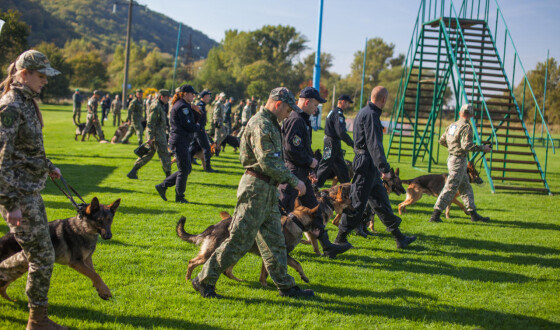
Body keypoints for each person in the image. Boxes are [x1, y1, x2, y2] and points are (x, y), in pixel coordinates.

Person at [191, 87, 313, 299]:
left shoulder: (272, 123)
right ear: (277, 104)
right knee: (238, 240)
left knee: (275, 242)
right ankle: (203, 280)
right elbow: (267, 162)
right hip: (256, 189)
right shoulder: (262, 124)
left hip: (267, 190)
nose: (288, 114)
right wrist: (294, 181)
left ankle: (286, 286)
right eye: (287, 109)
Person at [0, 50, 67, 329]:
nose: (46, 82)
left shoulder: (26, 102)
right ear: (24, 74)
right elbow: (1, 159)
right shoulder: (12, 105)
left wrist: (47, 164)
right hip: (18, 195)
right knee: (43, 256)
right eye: (41, 76)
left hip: (29, 191)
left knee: (36, 253)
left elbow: (25, 150)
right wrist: (10, 202)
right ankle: (37, 321)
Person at [334, 86, 416, 249]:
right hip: (366, 164)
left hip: (368, 164)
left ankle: (400, 238)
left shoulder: (365, 112)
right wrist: (384, 168)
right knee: (357, 203)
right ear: (384, 99)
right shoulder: (371, 115)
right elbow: (374, 144)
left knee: (381, 203)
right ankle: (339, 239)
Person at [278, 87, 351, 258]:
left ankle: (327, 247)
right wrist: (310, 161)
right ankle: (276, 246)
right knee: (283, 211)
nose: (316, 109)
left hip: (301, 172)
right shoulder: (296, 120)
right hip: (292, 174)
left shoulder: (302, 120)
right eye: (315, 104)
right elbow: (291, 149)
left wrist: (310, 169)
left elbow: (302, 147)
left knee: (315, 209)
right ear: (306, 101)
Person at [429, 104, 492, 223]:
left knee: (465, 187)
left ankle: (473, 214)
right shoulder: (466, 127)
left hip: (452, 159)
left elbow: (442, 140)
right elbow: (466, 146)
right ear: (472, 115)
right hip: (458, 161)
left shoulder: (452, 125)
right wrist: (483, 148)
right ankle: (435, 215)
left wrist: (453, 148)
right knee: (450, 187)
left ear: (460, 113)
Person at [155, 85, 200, 204]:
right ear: (185, 94)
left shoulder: (185, 106)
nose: (193, 96)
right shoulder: (181, 107)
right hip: (179, 141)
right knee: (184, 169)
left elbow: (192, 121)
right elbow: (188, 125)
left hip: (182, 141)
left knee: (186, 168)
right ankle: (179, 196)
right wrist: (198, 127)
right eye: (192, 93)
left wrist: (196, 113)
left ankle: (163, 186)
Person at [127, 90, 172, 179]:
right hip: (157, 135)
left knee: (148, 154)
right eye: (167, 97)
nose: (168, 99)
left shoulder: (160, 105)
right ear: (162, 97)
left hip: (157, 134)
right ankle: (169, 176)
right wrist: (150, 137)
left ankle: (133, 171)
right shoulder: (156, 106)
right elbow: (150, 123)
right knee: (164, 155)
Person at [314, 94, 355, 190]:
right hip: (332, 142)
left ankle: (348, 187)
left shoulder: (333, 112)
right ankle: (314, 187)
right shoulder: (338, 114)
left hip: (332, 142)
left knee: (341, 166)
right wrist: (352, 144)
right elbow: (341, 132)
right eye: (348, 103)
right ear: (343, 102)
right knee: (325, 165)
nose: (348, 105)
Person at [189, 90, 218, 173]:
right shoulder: (200, 106)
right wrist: (201, 128)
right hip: (199, 129)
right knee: (206, 148)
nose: (209, 98)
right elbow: (198, 118)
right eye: (208, 96)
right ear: (204, 97)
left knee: (193, 148)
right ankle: (208, 167)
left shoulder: (201, 105)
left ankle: (186, 164)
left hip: (198, 129)